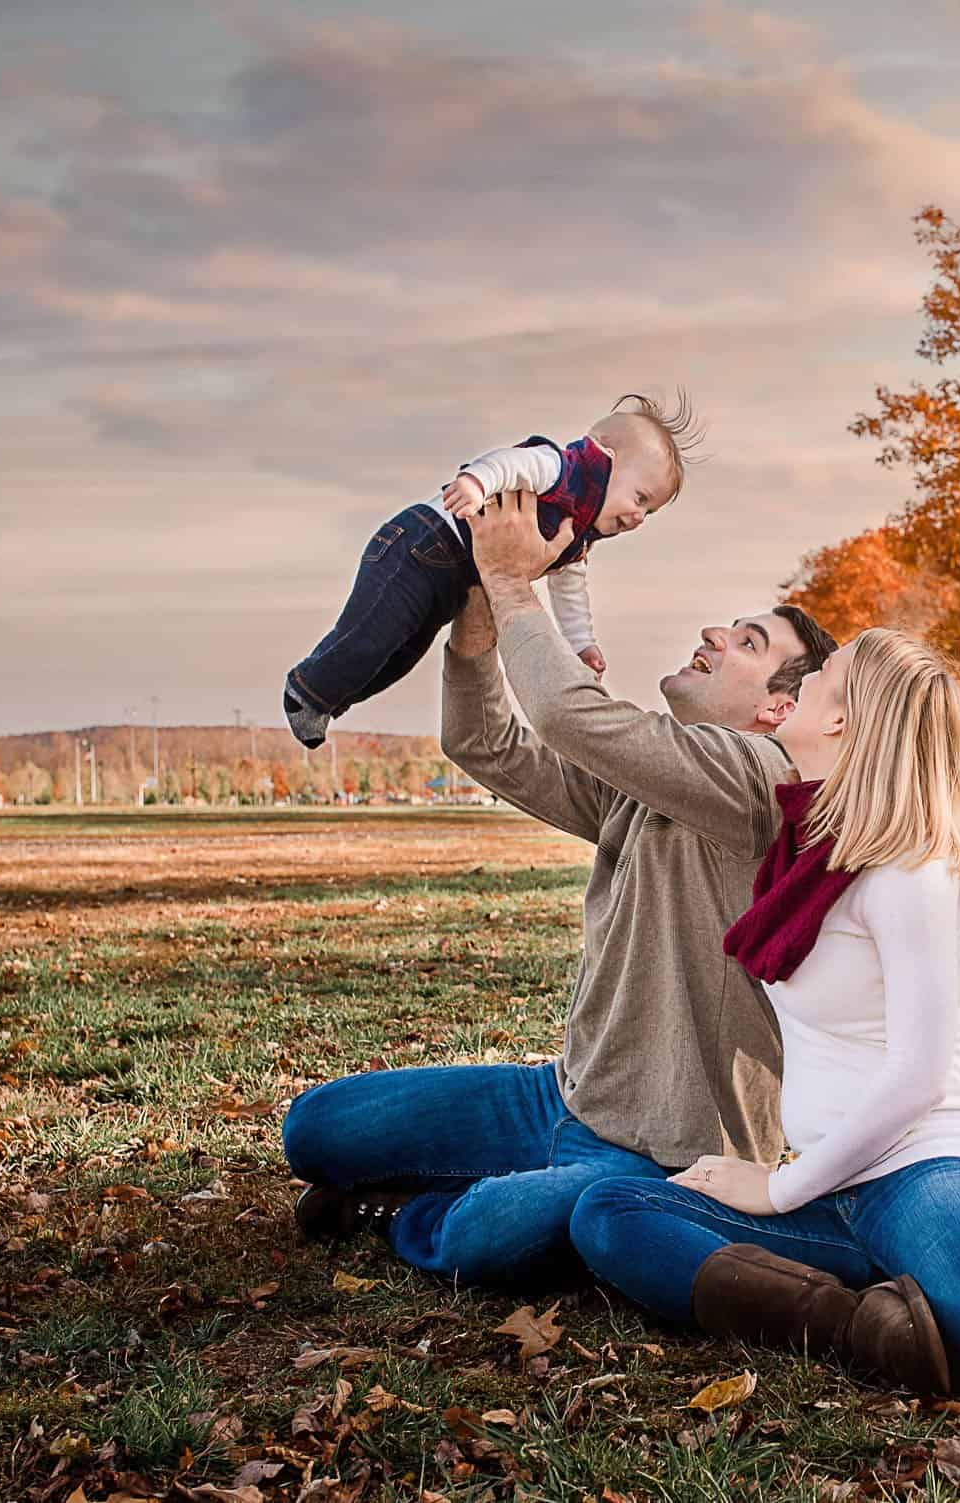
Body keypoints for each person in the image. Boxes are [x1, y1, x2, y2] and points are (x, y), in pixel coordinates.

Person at [568, 629, 960, 1392]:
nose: (806, 676)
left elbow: (918, 1077)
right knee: (610, 1212)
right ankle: (860, 1321)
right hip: (827, 1180)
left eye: (824, 673)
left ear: (842, 722)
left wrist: (776, 1189)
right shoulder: (802, 848)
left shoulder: (909, 868)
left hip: (923, 1164)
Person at [280, 486, 837, 1290]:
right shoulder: (652, 783)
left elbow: (570, 716)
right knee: (315, 1129)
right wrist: (475, 601)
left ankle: (405, 1215)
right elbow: (485, 741)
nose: (714, 633)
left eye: (747, 641)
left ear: (778, 706)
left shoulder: (762, 781)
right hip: (561, 1098)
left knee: (490, 1231)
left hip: (673, 1155)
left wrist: (513, 583)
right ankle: (485, 1182)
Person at [282, 392, 700, 748]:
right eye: (640, 498)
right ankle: (306, 690)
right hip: (421, 542)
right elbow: (512, 463)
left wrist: (581, 644)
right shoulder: (563, 469)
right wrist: (476, 483)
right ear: (605, 455)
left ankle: (329, 700)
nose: (640, 517)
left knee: (401, 653)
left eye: (651, 511)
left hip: (450, 584)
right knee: (371, 636)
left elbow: (571, 591)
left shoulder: (579, 536)